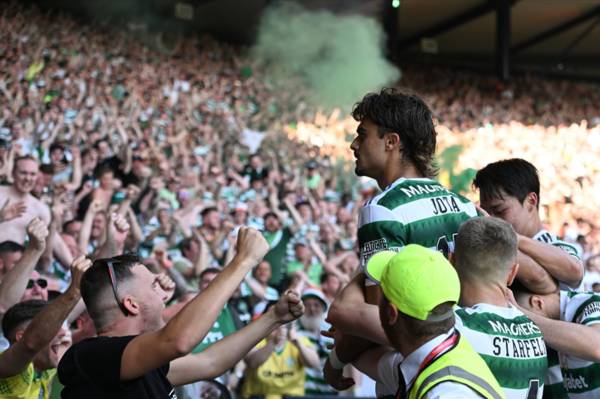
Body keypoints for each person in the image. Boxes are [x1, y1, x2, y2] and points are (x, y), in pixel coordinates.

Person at [57, 227, 305, 398]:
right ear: (131, 304)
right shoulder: (91, 356)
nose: (163, 293)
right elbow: (179, 341)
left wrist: (273, 318)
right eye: (153, 286)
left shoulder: (144, 363)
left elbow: (210, 362)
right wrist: (243, 261)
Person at [337, 245, 505, 399]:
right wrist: (337, 355)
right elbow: (362, 356)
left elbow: (342, 310)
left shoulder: (447, 392)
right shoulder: (436, 355)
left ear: (391, 314)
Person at [474, 158, 584, 293]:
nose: (491, 219)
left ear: (531, 201)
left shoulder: (557, 246)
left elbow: (575, 271)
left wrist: (512, 238)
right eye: (486, 212)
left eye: (500, 211)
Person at [0, 256, 91, 399]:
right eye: (52, 329)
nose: (63, 332)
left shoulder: (45, 367)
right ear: (21, 337)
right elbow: (30, 344)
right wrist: (75, 290)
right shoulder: (12, 372)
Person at [514, 288, 600, 398]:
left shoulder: (589, 302)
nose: (526, 333)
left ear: (537, 303)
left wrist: (527, 318)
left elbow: (597, 346)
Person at [242, 304, 320, 399]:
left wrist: (297, 343)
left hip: (291, 397)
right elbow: (252, 362)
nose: (279, 321)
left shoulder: (300, 341)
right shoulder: (254, 340)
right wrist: (273, 342)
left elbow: (314, 364)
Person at [297, 288, 337, 396]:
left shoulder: (329, 336)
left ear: (323, 309)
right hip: (303, 394)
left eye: (316, 305)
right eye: (307, 305)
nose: (312, 309)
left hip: (329, 393)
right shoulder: (295, 334)